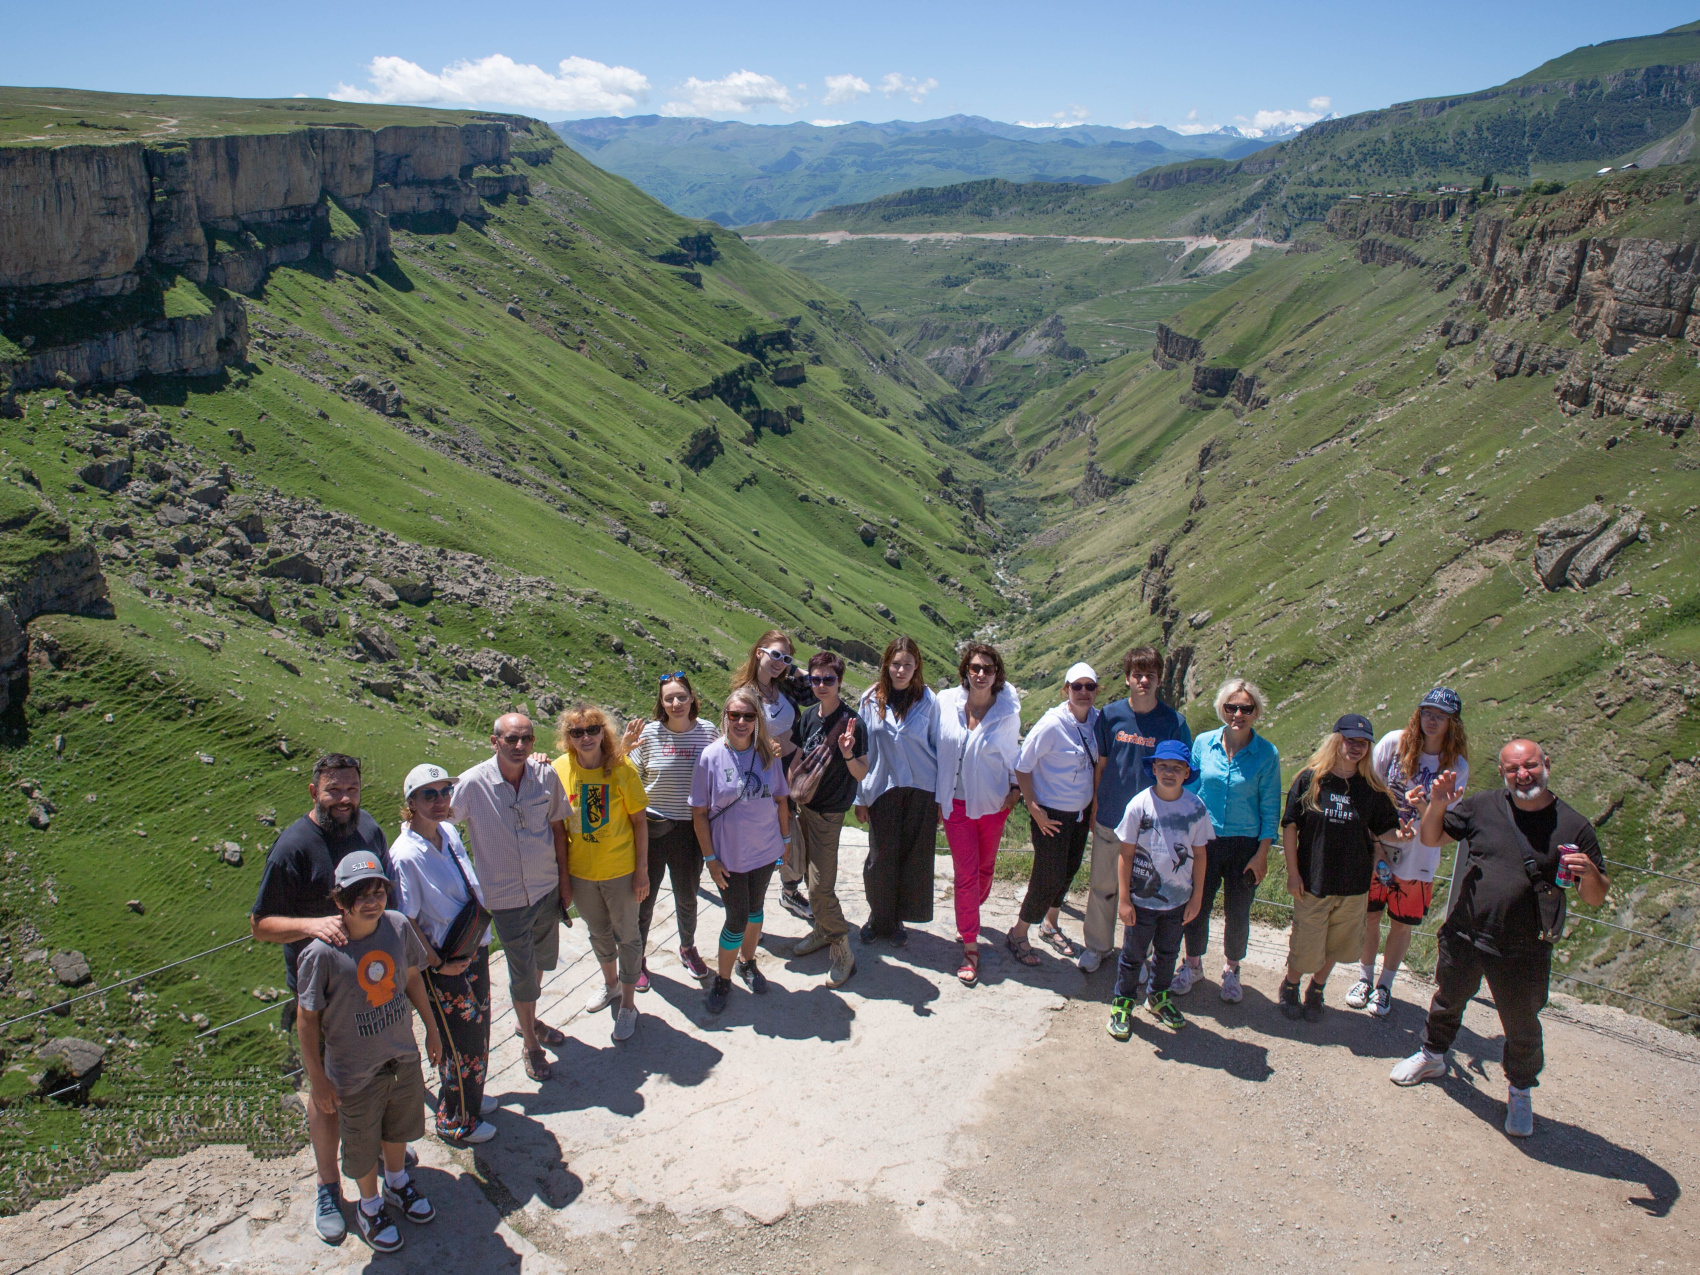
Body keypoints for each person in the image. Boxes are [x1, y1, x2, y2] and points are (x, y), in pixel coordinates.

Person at [1391, 739, 1608, 1138]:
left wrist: (1591, 873)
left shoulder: (1574, 825)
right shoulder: (1484, 805)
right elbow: (1433, 838)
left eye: (1529, 766)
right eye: (1513, 769)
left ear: (1547, 764)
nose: (1523, 774)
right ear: (1504, 773)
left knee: (1522, 1024)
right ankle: (1433, 1054)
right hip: (1466, 929)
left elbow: (1594, 897)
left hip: (1525, 946)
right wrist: (1437, 802)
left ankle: (1520, 1090)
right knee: (1447, 997)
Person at [250, 752, 394, 1244]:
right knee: (327, 1094)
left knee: (377, 1077)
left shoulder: (369, 828)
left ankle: (376, 1155)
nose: (344, 799)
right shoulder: (293, 847)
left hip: (376, 982)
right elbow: (260, 925)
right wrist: (312, 925)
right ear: (313, 792)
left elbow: (385, 891)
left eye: (351, 789)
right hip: (322, 996)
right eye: (334, 790)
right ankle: (329, 1186)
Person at [296, 851, 442, 1253]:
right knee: (360, 1143)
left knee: (398, 1127)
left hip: (401, 1055)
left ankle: (396, 1182)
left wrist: (431, 1029)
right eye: (361, 894)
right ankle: (369, 1204)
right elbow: (306, 1020)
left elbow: (412, 977)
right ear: (341, 900)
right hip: (354, 1070)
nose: (373, 901)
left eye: (379, 891)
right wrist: (318, 1080)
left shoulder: (396, 926)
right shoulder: (321, 953)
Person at [451, 713, 572, 1083]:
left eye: (527, 739)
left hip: (545, 888)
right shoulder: (472, 784)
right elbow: (440, 823)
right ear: (494, 741)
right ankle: (531, 1045)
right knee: (522, 972)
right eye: (511, 740)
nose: (520, 747)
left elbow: (557, 828)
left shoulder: (545, 776)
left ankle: (528, 1019)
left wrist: (564, 883)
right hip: (506, 898)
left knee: (539, 962)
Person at [390, 764, 498, 1146]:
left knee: (479, 1029)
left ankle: (472, 1100)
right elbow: (407, 920)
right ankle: (455, 1120)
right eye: (428, 794)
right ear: (411, 802)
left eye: (444, 792)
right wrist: (438, 963)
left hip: (472, 947)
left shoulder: (448, 832)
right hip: (443, 961)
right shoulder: (405, 855)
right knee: (460, 1042)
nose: (440, 801)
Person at [1278, 715, 1409, 1023]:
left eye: (1362, 743)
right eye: (1350, 740)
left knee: (1337, 945)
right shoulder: (1311, 779)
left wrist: (1411, 831)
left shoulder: (1371, 789)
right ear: (1336, 739)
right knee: (1305, 945)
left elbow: (1388, 831)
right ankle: (1291, 986)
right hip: (1313, 880)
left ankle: (1316, 990)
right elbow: (1290, 826)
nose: (1356, 748)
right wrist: (1293, 873)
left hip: (1353, 884)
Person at [1349, 687, 1470, 1016]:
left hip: (1418, 857)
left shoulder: (1456, 765)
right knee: (1370, 916)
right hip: (1379, 849)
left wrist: (1425, 806)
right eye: (1428, 713)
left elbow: (1446, 821)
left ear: (1452, 723)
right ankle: (1364, 978)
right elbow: (1368, 792)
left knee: (1401, 924)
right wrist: (1375, 845)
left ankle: (1385, 986)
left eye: (1441, 716)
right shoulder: (1393, 743)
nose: (1432, 721)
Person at [1082, 647, 1192, 972]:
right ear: (1128, 677)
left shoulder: (1174, 722)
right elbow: (1100, 765)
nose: (1143, 681)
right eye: (1137, 675)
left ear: (1159, 680)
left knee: (1143, 897)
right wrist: (1095, 807)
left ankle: (1137, 958)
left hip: (1152, 829)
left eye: (1150, 676)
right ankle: (1097, 947)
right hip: (1112, 818)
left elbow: (1185, 775)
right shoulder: (1111, 715)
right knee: (1103, 886)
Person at [1178, 679, 1281, 1003]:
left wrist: (1262, 854)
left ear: (1256, 713)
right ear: (1222, 709)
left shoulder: (1267, 753)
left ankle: (1231, 969)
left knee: (1238, 911)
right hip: (1203, 841)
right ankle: (1192, 965)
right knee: (1197, 905)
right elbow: (1189, 794)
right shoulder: (1203, 743)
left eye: (1246, 708)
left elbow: (1270, 806)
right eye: (1231, 707)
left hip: (1244, 846)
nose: (1238, 714)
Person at [691, 686, 792, 1014]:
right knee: (735, 919)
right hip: (730, 856)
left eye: (749, 716)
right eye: (734, 715)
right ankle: (723, 978)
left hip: (765, 850)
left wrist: (786, 841)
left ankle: (747, 963)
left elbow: (780, 799)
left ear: (757, 720)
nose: (741, 722)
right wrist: (710, 859)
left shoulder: (767, 755)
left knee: (755, 909)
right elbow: (699, 813)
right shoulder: (710, 756)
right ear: (725, 717)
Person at [553, 704, 649, 1043]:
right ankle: (610, 986)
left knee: (628, 936)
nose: (586, 737)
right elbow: (557, 826)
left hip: (620, 871)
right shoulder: (558, 769)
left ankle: (627, 1004)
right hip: (581, 873)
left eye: (592, 729)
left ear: (603, 732)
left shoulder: (621, 769)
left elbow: (639, 822)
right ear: (568, 738)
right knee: (598, 933)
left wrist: (642, 872)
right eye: (576, 732)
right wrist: (564, 879)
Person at [1106, 740, 1212, 1036]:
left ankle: (1158, 996)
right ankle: (1123, 1001)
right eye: (1163, 766)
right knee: (1132, 954)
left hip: (1178, 901)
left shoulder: (1195, 807)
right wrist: (1124, 899)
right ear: (1153, 768)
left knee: (1168, 952)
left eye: (1176, 768)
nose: (1169, 772)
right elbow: (1125, 854)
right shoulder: (1139, 805)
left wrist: (1197, 897)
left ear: (1187, 772)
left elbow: (1201, 854)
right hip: (1141, 900)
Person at [623, 673, 720, 984]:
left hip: (691, 829)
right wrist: (623, 750)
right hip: (652, 827)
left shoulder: (707, 732)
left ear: (692, 698)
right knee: (644, 897)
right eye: (669, 698)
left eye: (681, 697)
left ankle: (688, 946)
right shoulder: (650, 735)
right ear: (661, 703)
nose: (676, 703)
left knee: (688, 894)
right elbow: (628, 775)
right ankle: (636, 957)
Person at [934, 643, 1022, 985]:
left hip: (992, 804)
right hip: (955, 805)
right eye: (974, 667)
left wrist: (1015, 790)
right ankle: (970, 944)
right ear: (965, 672)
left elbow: (1012, 753)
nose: (980, 674)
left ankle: (970, 911)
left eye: (987, 668)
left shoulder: (1007, 713)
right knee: (966, 874)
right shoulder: (945, 704)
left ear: (996, 674)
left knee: (986, 869)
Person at [1007, 663, 1101, 968]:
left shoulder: (1098, 722)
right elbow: (1022, 766)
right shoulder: (1052, 724)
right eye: (1077, 687)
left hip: (1080, 813)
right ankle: (1019, 932)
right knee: (1047, 876)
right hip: (1052, 813)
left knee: (1069, 869)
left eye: (1090, 687)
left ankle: (1050, 923)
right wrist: (1033, 808)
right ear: (1066, 690)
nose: (1084, 692)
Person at [783, 651, 868, 989]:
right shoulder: (807, 718)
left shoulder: (852, 723)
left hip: (830, 813)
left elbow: (861, 771)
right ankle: (821, 930)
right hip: (805, 808)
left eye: (828, 680)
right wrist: (791, 794)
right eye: (815, 679)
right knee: (806, 873)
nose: (821, 685)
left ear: (839, 682)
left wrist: (847, 752)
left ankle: (842, 949)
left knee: (820, 886)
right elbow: (799, 758)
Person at [854, 637, 941, 945]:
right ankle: (878, 916)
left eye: (907, 664)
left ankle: (897, 920)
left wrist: (942, 798)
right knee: (880, 858)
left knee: (913, 857)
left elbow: (939, 748)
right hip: (882, 787)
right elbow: (860, 751)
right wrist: (860, 797)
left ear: (916, 667)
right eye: (896, 664)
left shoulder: (930, 702)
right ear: (886, 666)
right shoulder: (869, 700)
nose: (901, 670)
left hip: (921, 788)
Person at [732, 629, 812, 922]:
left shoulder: (785, 688)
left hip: (793, 768)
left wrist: (791, 666)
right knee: (766, 838)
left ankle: (788, 891)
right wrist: (764, 746)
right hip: (763, 774)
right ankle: (751, 911)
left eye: (786, 657)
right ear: (758, 652)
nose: (779, 662)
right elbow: (733, 738)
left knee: (790, 837)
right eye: (774, 654)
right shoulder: (745, 694)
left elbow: (813, 687)